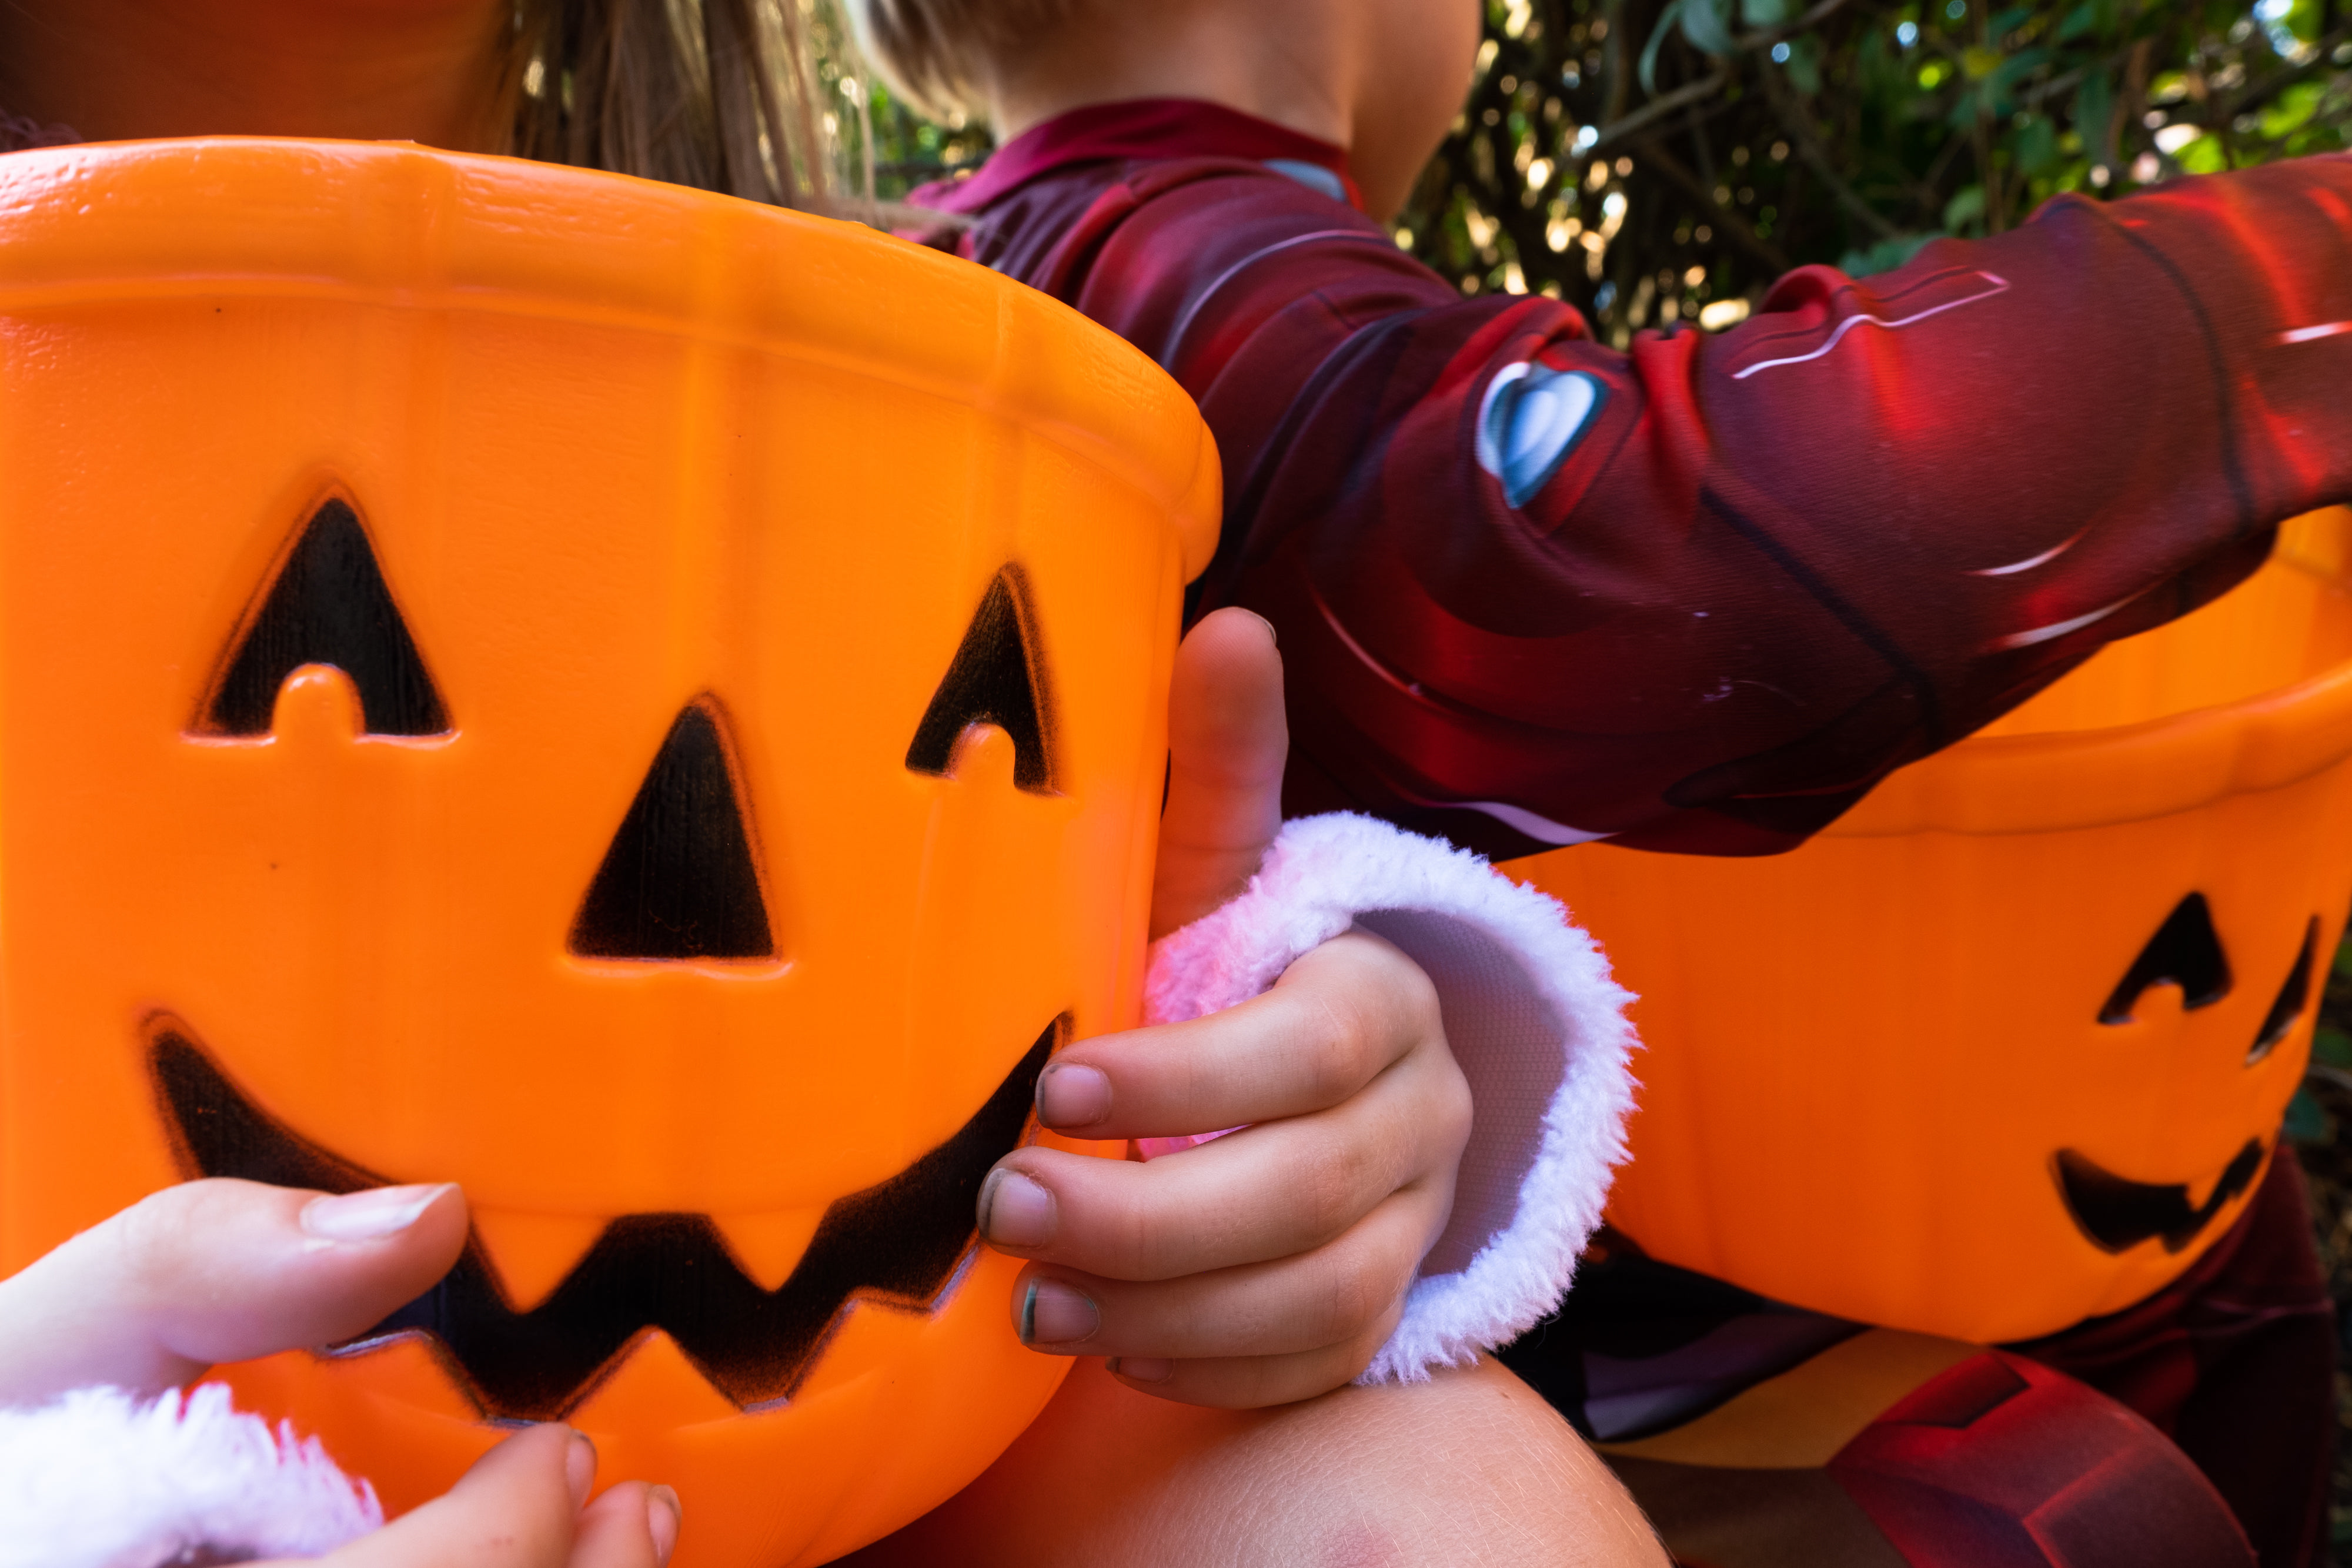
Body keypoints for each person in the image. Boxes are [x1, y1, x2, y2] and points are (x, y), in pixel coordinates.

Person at [0, 14, 1665, 1543]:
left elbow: (1001, 1071)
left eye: (974, 725)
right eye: (338, 687)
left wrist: (1241, 1060)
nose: (687, 943)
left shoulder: (927, 380)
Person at [840, 0, 2352, 1561]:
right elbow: (1615, 565)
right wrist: (2302, 290)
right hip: (1325, 1350)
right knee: (2125, 1464)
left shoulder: (972, 266)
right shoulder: (1183, 263)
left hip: (1267, 1245)